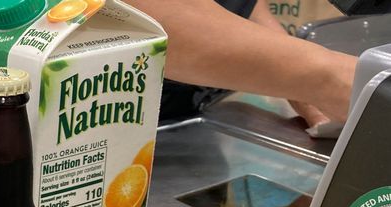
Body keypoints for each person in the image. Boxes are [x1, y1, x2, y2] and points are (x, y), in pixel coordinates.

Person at [125, 0, 357, 126]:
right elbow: (136, 18)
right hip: (123, 125)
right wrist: (326, 79)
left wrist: (299, 87)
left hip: (194, 124)